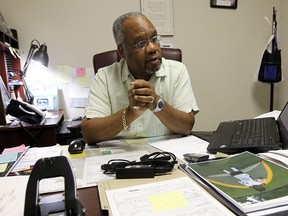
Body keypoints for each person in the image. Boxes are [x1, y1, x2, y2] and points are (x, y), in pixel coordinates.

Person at [81, 12, 199, 144]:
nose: (152, 48)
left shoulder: (177, 71)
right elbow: (89, 133)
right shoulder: (105, 77)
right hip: (118, 158)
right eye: (141, 43)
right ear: (122, 52)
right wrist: (130, 113)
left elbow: (186, 127)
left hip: (163, 157)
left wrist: (156, 103)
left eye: (154, 39)